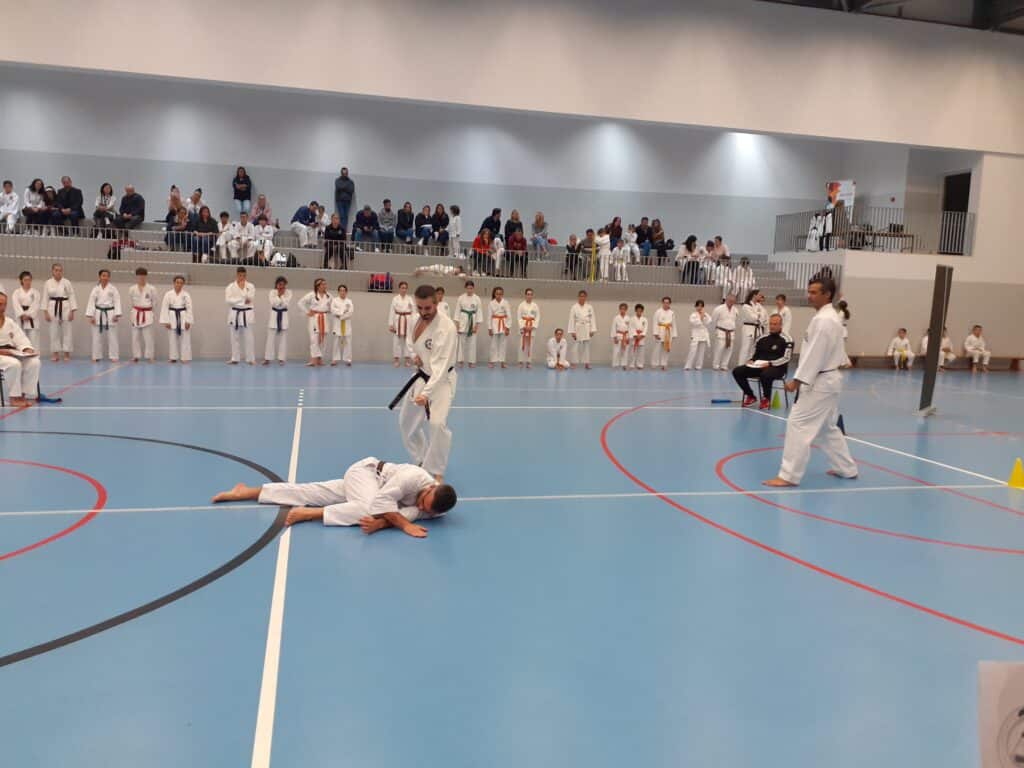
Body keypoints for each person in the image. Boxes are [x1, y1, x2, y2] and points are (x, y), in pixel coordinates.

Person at [764, 278, 857, 487]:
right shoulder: (829, 317)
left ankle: (788, 475)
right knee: (826, 428)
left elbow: (815, 355)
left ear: (827, 295)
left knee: (798, 424)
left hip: (820, 382)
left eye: (814, 292)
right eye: (809, 291)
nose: (809, 296)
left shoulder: (824, 320)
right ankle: (846, 469)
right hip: (827, 380)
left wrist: (797, 381)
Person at [212, 455, 457, 534]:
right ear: (431, 487)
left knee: (313, 491)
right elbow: (383, 504)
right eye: (423, 502)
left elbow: (410, 513)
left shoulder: (435, 508)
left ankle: (248, 491)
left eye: (427, 510)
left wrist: (381, 524)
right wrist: (403, 526)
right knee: (367, 508)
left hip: (368, 487)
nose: (422, 508)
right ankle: (311, 514)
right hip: (366, 474)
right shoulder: (413, 476)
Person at [390, 284, 459, 481]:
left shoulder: (446, 328)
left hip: (442, 381)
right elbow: (410, 342)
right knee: (406, 423)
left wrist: (426, 394)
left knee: (437, 424)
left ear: (437, 303)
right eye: (419, 307)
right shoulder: (415, 319)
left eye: (427, 308)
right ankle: (421, 461)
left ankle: (437, 472)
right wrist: (414, 355)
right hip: (421, 376)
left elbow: (441, 367)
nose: (423, 312)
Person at [732, 313, 794, 408]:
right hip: (759, 366)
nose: (772, 326)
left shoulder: (787, 339)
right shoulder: (761, 338)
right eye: (771, 324)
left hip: (777, 368)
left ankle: (766, 398)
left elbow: (786, 358)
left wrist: (770, 363)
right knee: (737, 371)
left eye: (775, 324)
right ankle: (750, 396)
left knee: (765, 374)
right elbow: (755, 354)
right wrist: (751, 360)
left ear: (781, 325)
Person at [0, 290, 41, 406]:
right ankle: (14, 397)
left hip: (10, 353)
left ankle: (23, 394)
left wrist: (26, 349)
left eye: (4, 304)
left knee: (34, 362)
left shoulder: (10, 322)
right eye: (0, 304)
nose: (2, 307)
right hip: (2, 356)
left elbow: (20, 338)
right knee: (14, 364)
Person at [85, 268, 122, 362]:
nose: (105, 278)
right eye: (103, 276)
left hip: (110, 313)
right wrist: (91, 316)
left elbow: (117, 301)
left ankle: (114, 356)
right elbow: (91, 302)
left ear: (109, 277)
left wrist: (117, 314)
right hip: (98, 313)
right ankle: (96, 356)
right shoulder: (95, 289)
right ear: (100, 277)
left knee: (113, 337)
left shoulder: (113, 289)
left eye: (107, 276)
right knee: (96, 337)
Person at [43, 263, 76, 362]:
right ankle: (55, 354)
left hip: (65, 306)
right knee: (53, 331)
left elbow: (72, 296)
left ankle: (66, 353)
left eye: (60, 270)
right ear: (52, 271)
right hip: (52, 307)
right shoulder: (48, 283)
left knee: (67, 331)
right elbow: (45, 297)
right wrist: (45, 312)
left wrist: (72, 311)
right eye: (56, 270)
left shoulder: (67, 282)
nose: (58, 272)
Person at [225, 267, 256, 364]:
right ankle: (235, 358)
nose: (242, 277)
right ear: (237, 275)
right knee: (234, 337)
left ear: (246, 275)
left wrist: (236, 300)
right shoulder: (230, 287)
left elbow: (250, 298)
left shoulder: (250, 286)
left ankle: (250, 359)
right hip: (235, 313)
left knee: (249, 337)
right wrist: (242, 300)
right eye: (240, 275)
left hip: (247, 313)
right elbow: (228, 300)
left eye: (244, 275)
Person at [160, 275, 193, 363]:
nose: (179, 284)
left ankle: (185, 357)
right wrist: (166, 321)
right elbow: (164, 307)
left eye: (181, 283)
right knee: (172, 338)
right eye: (177, 282)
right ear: (174, 283)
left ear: (183, 284)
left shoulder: (186, 295)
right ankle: (173, 357)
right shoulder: (168, 294)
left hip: (183, 316)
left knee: (185, 338)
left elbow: (189, 308)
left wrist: (188, 321)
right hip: (171, 316)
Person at [298, 278, 332, 367]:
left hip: (324, 318)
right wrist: (307, 312)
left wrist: (331, 311)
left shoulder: (329, 296)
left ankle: (320, 359)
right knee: (314, 339)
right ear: (318, 286)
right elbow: (300, 303)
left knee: (323, 339)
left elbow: (332, 307)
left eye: (325, 284)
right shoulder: (311, 295)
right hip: (314, 318)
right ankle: (313, 359)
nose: (325, 286)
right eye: (323, 284)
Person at [128, 267, 158, 362]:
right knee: (135, 336)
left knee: (148, 337)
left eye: (143, 275)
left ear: (146, 276)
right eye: (139, 275)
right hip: (136, 313)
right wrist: (134, 311)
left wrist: (149, 311)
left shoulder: (152, 288)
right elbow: (131, 302)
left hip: (147, 313)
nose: (141, 277)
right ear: (137, 276)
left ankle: (150, 356)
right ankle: (136, 356)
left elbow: (155, 302)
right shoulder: (132, 289)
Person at [262, 276, 291, 366]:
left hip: (284, 316)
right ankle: (267, 358)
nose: (281, 286)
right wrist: (279, 296)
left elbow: (286, 304)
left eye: (283, 284)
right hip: (274, 315)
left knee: (283, 339)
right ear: (276, 284)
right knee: (270, 339)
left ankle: (281, 359)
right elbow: (273, 303)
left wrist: (281, 297)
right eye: (280, 284)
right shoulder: (272, 292)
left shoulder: (289, 292)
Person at [736, 290, 767, 369]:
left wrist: (758, 316)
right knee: (745, 348)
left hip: (757, 329)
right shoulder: (746, 306)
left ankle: (749, 366)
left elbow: (764, 317)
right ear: (754, 295)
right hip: (748, 328)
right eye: (759, 295)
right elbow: (752, 318)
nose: (760, 296)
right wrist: (758, 316)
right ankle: (740, 366)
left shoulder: (759, 306)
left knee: (753, 349)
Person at [455, 281, 482, 367]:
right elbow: (457, 311)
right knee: (461, 343)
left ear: (473, 288)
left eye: (471, 288)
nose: (469, 290)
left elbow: (479, 312)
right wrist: (457, 325)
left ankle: (471, 362)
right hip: (463, 320)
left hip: (472, 320)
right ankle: (460, 361)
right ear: (465, 288)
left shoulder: (477, 298)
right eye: (468, 288)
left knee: (472, 343)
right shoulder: (461, 298)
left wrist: (476, 326)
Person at [567, 290, 596, 369]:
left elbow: (592, 318)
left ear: (586, 297)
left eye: (583, 296)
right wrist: (572, 331)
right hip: (578, 327)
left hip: (587, 327)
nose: (582, 298)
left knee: (586, 346)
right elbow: (571, 319)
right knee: (575, 346)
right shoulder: (574, 307)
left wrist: (592, 330)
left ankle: (587, 363)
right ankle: (574, 363)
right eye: (581, 296)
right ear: (578, 297)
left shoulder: (589, 307)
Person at [389, 281, 415, 367]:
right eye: (402, 288)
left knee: (408, 340)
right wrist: (391, 324)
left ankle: (407, 360)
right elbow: (392, 312)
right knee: (397, 341)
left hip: (408, 320)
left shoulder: (410, 299)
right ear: (399, 288)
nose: (404, 290)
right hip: (398, 320)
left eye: (405, 288)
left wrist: (414, 323)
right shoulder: (395, 299)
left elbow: (413, 311)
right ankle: (396, 360)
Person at [710, 293, 739, 371]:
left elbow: (735, 321)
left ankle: (724, 365)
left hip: (731, 332)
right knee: (719, 349)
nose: (731, 302)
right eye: (730, 301)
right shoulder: (718, 309)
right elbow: (713, 320)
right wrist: (714, 331)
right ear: (726, 300)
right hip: (721, 332)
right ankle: (716, 365)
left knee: (729, 350)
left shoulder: (735, 310)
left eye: (733, 301)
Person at [12, 271, 40, 350]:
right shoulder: (16, 292)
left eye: (29, 280)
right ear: (21, 280)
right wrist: (22, 314)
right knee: (21, 339)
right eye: (25, 280)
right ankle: (21, 355)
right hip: (21, 318)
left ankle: (35, 355)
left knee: (34, 339)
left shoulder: (36, 292)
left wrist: (28, 315)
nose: (28, 282)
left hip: (32, 319)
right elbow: (16, 304)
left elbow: (36, 305)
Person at [487, 286, 512, 369]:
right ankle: (492, 361)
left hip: (503, 323)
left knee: (503, 344)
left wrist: (508, 327)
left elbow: (509, 316)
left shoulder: (506, 302)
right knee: (493, 344)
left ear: (502, 294)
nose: (499, 295)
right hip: (494, 323)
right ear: (494, 294)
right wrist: (489, 328)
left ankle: (502, 362)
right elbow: (489, 316)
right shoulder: (491, 303)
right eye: (497, 294)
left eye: (500, 294)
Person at [651, 296, 678, 371]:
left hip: (668, 331)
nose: (666, 304)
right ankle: (654, 364)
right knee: (657, 348)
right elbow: (655, 322)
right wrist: (655, 333)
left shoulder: (672, 313)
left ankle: (664, 364)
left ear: (670, 303)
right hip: (660, 330)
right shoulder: (658, 311)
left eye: (667, 303)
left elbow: (674, 323)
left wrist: (674, 334)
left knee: (666, 349)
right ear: (662, 303)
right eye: (665, 302)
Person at [330, 284, 354, 367]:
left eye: (344, 290)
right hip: (337, 323)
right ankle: (335, 359)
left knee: (348, 341)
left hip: (346, 323)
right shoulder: (334, 300)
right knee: (336, 341)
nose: (342, 292)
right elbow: (333, 310)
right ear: (338, 292)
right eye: (340, 290)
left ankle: (348, 359)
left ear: (346, 292)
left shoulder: (349, 301)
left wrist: (341, 316)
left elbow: (350, 312)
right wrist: (342, 312)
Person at [685, 299, 712, 370]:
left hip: (704, 334)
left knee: (701, 351)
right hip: (696, 333)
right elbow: (694, 323)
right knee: (692, 350)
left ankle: (698, 366)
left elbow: (709, 322)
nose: (700, 307)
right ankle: (688, 366)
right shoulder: (693, 315)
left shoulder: (706, 314)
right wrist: (701, 318)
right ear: (696, 306)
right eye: (698, 306)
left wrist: (703, 316)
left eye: (701, 306)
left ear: (703, 307)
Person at [517, 288, 540, 368]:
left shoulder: (535, 306)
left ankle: (528, 362)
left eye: (531, 294)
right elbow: (519, 317)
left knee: (530, 345)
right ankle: (520, 361)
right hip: (523, 326)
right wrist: (524, 326)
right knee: (521, 344)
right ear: (525, 295)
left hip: (531, 326)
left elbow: (538, 317)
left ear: (532, 295)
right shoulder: (521, 305)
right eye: (528, 294)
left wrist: (532, 326)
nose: (529, 296)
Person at [611, 303, 631, 370]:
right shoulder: (616, 318)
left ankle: (624, 364)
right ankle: (615, 364)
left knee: (625, 351)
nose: (623, 310)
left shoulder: (628, 318)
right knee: (616, 351)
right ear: (619, 309)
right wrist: (614, 337)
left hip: (625, 336)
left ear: (626, 310)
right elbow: (613, 327)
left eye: (624, 309)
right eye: (621, 309)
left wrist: (629, 337)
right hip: (618, 336)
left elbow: (630, 328)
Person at [628, 303, 648, 370]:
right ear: (635, 310)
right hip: (634, 337)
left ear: (642, 311)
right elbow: (631, 328)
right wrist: (635, 335)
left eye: (640, 310)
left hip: (641, 337)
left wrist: (642, 335)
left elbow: (645, 328)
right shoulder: (632, 319)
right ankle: (631, 365)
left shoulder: (645, 319)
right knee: (633, 352)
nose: (639, 312)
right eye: (638, 310)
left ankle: (640, 365)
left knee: (641, 352)